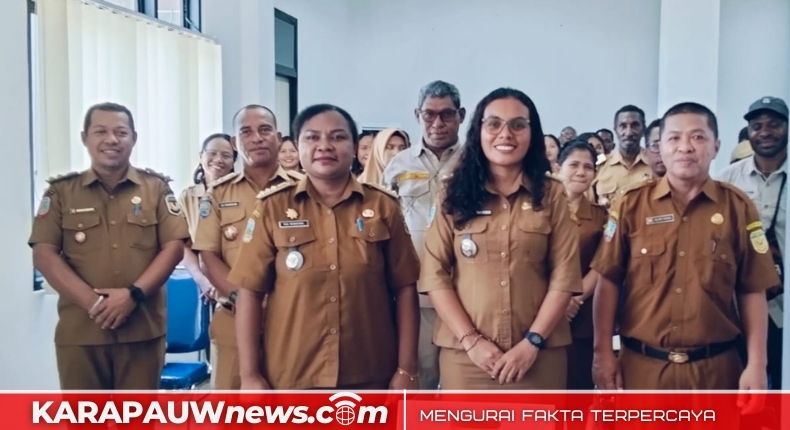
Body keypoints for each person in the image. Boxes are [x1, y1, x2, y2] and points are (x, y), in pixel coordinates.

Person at [591, 102, 777, 398]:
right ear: (658, 148)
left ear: (716, 147)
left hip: (717, 373)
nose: (685, 147)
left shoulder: (738, 208)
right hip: (642, 372)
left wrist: (757, 363)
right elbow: (609, 281)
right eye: (674, 138)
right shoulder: (631, 206)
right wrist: (601, 353)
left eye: (698, 137)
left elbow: (752, 289)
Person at [229, 104, 421, 390]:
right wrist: (250, 375)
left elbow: (405, 290)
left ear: (355, 147)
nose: (324, 146)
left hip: (370, 373)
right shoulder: (272, 207)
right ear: (296, 145)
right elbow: (250, 293)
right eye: (312, 138)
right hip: (292, 375)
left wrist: (406, 370)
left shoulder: (383, 206)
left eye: (337, 137)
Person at [419, 88, 581, 389]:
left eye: (518, 125)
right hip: (466, 359)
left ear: (532, 133)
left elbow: (565, 275)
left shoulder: (552, 194)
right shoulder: (452, 193)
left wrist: (532, 342)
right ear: (478, 131)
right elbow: (434, 274)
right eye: (494, 124)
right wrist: (471, 341)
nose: (505, 134)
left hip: (538, 356)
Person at [29, 102, 188, 389]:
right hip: (82, 334)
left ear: (133, 138)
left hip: (143, 331)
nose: (111, 139)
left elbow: (174, 247)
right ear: (85, 138)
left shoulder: (156, 189)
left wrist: (133, 295)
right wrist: (94, 303)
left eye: (120, 132)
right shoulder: (61, 192)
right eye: (100, 131)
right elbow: (44, 254)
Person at [192, 105, 303, 390]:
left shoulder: (304, 190)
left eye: (265, 130)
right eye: (246, 132)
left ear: (278, 137)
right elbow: (208, 256)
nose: (256, 138)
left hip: (294, 320)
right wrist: (244, 299)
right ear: (235, 142)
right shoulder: (218, 194)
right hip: (233, 316)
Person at [383, 79, 466, 389]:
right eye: (429, 114)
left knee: (462, 385)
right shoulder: (398, 165)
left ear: (462, 115)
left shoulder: (476, 162)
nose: (438, 123)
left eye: (447, 114)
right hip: (416, 295)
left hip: (465, 292)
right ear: (417, 115)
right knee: (421, 379)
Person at [716, 96, 787, 389]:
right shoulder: (728, 180)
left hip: (786, 303)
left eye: (774, 125)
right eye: (757, 126)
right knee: (743, 385)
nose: (765, 132)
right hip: (742, 300)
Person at [557, 139, 608, 389]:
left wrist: (574, 299)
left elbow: (601, 263)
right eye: (573, 165)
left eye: (588, 167)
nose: (581, 172)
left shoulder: (602, 217)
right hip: (542, 312)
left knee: (578, 390)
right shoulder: (539, 210)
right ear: (558, 168)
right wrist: (558, 302)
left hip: (583, 316)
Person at [179, 133, 236, 301]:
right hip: (203, 287)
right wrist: (202, 280)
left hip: (236, 284)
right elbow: (182, 245)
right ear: (201, 156)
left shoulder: (242, 194)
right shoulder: (188, 197)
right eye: (212, 153)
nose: (218, 159)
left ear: (234, 162)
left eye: (226, 155)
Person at [593, 105, 652, 207]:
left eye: (635, 125)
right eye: (623, 126)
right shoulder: (600, 164)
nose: (628, 132)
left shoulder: (655, 164)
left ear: (644, 130)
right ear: (615, 129)